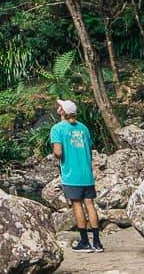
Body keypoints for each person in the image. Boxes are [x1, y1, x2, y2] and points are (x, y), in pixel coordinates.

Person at [50, 98, 103, 253]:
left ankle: (85, 242)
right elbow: (90, 147)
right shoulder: (84, 128)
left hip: (71, 175)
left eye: (59, 106)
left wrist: (56, 153)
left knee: (77, 206)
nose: (57, 107)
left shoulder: (57, 129)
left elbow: (58, 153)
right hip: (87, 174)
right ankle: (98, 243)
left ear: (62, 111)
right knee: (90, 205)